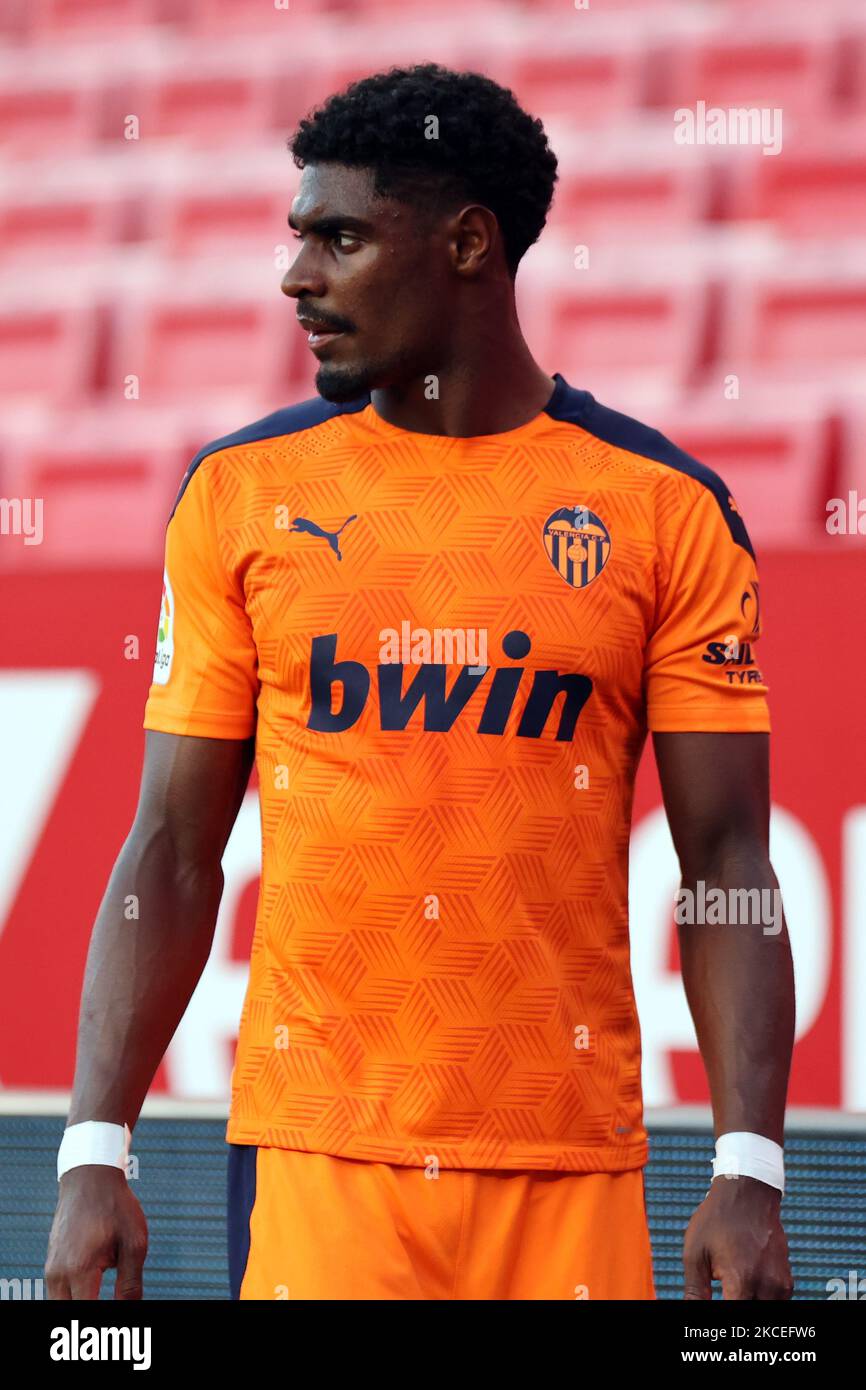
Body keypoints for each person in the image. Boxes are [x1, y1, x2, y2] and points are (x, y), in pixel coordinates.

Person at [46, 63, 794, 1301]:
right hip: (316, 1162)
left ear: (464, 243)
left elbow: (725, 866)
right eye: (296, 239)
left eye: (337, 237)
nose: (297, 279)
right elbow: (171, 849)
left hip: (567, 1168)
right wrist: (90, 1149)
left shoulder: (666, 513)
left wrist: (751, 1165)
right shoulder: (238, 497)